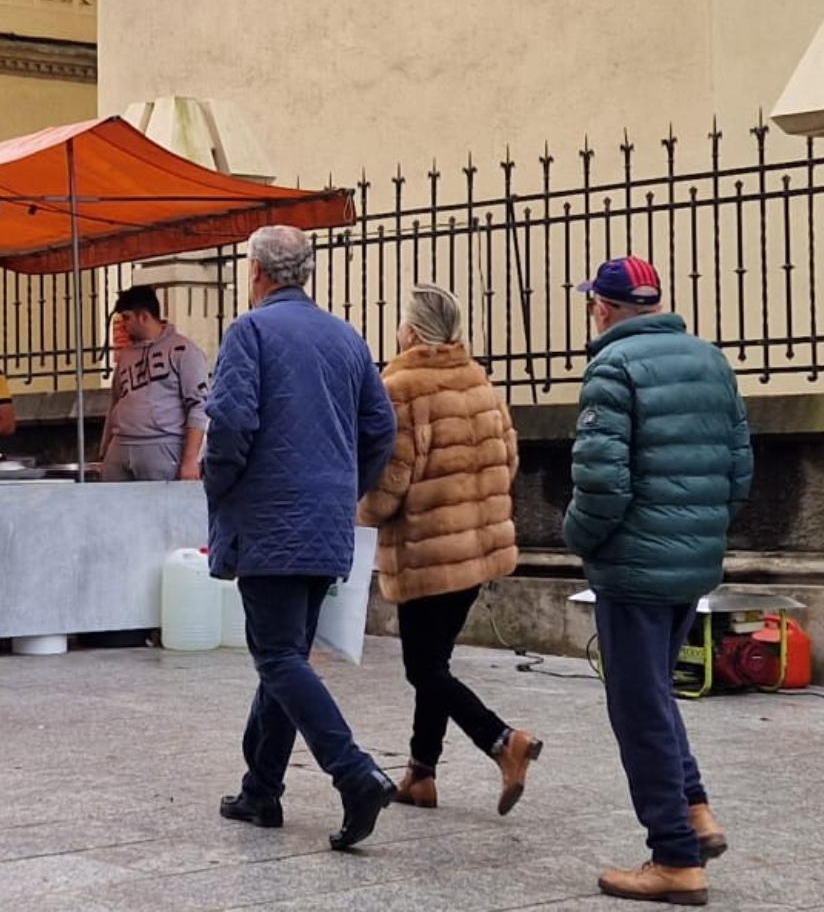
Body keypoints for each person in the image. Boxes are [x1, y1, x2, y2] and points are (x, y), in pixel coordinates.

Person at [204, 225, 398, 852]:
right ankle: (261, 789)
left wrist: (220, 482)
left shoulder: (250, 332)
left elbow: (230, 421)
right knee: (285, 654)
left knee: (279, 657)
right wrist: (345, 486)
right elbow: (380, 426)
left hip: (268, 516)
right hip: (324, 518)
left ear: (256, 270)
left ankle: (353, 771)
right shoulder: (346, 337)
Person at [567, 257, 751, 905]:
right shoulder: (710, 362)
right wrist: (700, 531)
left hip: (632, 566)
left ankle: (674, 857)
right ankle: (695, 809)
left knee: (637, 706)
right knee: (656, 696)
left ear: (605, 308)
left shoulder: (611, 368)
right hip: (692, 561)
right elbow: (739, 469)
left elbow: (600, 480)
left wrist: (581, 537)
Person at [357, 284, 542, 816]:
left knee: (424, 668)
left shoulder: (401, 385)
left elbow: (390, 481)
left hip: (427, 552)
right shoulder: (478, 379)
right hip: (477, 548)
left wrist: (362, 512)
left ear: (410, 330)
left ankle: (503, 741)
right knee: (433, 661)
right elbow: (507, 459)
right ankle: (420, 773)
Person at [102, 285, 208, 482]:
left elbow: (198, 405)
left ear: (143, 316)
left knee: (161, 510)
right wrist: (104, 451)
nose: (123, 325)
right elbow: (114, 403)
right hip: (120, 446)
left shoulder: (184, 351)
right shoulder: (125, 356)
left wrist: (191, 460)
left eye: (126, 318)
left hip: (163, 445)